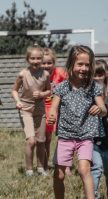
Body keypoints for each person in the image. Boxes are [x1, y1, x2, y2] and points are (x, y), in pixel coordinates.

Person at [48, 45, 107, 199]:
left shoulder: (93, 87)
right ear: (71, 65)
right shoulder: (62, 87)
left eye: (87, 65)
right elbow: (53, 107)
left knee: (84, 170)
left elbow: (103, 108)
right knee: (59, 175)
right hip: (66, 136)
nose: (84, 68)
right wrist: (52, 115)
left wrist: (99, 109)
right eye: (80, 64)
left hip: (85, 137)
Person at [11, 45, 51, 176]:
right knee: (31, 141)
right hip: (26, 109)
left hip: (40, 110)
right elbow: (14, 90)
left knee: (41, 141)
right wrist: (17, 101)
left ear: (42, 59)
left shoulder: (45, 74)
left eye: (38, 58)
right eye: (32, 58)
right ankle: (29, 170)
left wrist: (42, 94)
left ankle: (40, 168)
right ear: (28, 59)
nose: (36, 61)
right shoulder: (23, 74)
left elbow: (49, 91)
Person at [41, 48, 67, 171]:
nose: (46, 65)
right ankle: (45, 164)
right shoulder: (37, 75)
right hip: (43, 109)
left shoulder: (60, 73)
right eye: (43, 63)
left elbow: (70, 86)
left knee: (64, 138)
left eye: (49, 63)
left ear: (54, 63)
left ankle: (64, 165)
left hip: (60, 109)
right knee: (46, 138)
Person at [91, 59, 108, 199]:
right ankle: (93, 196)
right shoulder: (88, 92)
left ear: (106, 74)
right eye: (94, 74)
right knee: (96, 169)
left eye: (100, 74)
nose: (97, 77)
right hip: (94, 140)